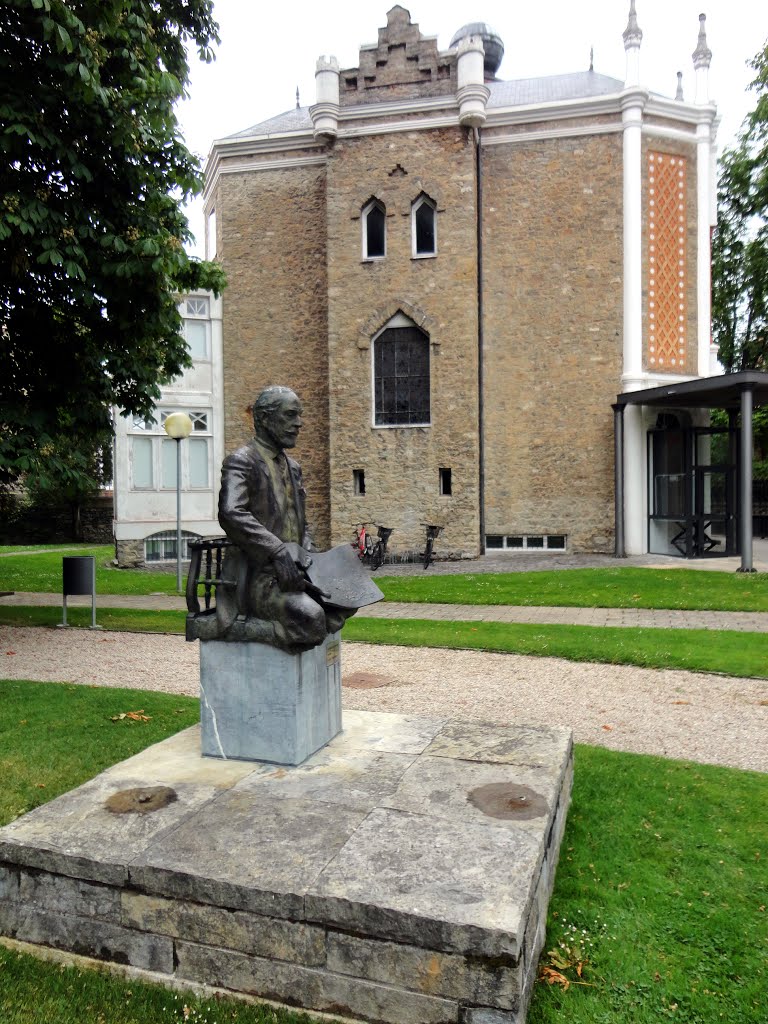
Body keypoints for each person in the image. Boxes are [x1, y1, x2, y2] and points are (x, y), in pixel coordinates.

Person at [189, 386, 351, 652]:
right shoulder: (242, 461)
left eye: (299, 415)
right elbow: (231, 512)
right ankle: (254, 631)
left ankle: (306, 627)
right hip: (256, 576)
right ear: (264, 418)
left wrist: (310, 555)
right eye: (290, 415)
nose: (298, 423)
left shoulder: (293, 467)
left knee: (349, 596)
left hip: (298, 571)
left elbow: (299, 521)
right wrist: (276, 551)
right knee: (312, 619)